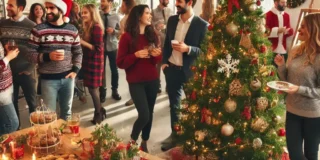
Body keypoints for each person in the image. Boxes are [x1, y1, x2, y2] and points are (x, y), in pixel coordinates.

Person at [160, 0, 208, 151]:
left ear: (190, 2)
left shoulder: (202, 25)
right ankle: (175, 135)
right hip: (172, 69)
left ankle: (195, 138)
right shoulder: (172, 20)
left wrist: (188, 49)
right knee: (174, 106)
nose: (176, 4)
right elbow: (167, 43)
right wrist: (164, 63)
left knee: (194, 106)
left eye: (180, 1)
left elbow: (205, 51)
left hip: (190, 72)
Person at [274, 13, 320, 160]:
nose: (299, 29)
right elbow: (287, 81)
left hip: (313, 115)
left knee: (311, 154)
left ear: (314, 29)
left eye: (303, 26)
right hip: (292, 111)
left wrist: (299, 89)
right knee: (295, 154)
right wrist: (281, 67)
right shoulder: (295, 50)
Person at [27, 0, 83, 120]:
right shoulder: (38, 30)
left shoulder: (72, 30)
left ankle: (65, 139)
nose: (48, 11)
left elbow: (78, 52)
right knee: (49, 116)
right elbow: (30, 54)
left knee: (67, 114)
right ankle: (53, 139)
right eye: (46, 8)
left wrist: (75, 70)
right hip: (48, 80)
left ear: (61, 10)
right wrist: (47, 56)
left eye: (52, 8)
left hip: (68, 79)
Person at [116, 4, 162, 153]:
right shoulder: (126, 37)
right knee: (144, 114)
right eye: (147, 13)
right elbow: (120, 62)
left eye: (150, 13)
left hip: (152, 80)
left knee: (150, 113)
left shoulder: (152, 35)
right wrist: (135, 55)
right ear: (138, 16)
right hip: (136, 82)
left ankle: (145, 141)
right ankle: (133, 140)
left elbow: (156, 61)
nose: (150, 16)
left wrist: (156, 55)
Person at [0, 0, 37, 127]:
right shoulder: (2, 23)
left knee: (32, 103)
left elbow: (38, 49)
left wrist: (30, 68)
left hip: (26, 72)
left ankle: (35, 132)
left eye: (11, 5)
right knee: (12, 103)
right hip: (7, 72)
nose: (7, 7)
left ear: (20, 8)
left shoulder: (32, 26)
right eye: (7, 5)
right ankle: (17, 131)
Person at [80, 4, 106, 124]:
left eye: (86, 12)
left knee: (93, 89)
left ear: (92, 14)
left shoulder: (96, 27)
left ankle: (99, 113)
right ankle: (100, 110)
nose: (83, 14)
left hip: (95, 62)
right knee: (92, 89)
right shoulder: (87, 26)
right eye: (82, 12)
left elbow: (98, 49)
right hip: (88, 60)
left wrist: (82, 42)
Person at [99, 0, 121, 103]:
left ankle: (115, 90)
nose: (101, 3)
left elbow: (121, 32)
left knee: (114, 70)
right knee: (101, 71)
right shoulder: (98, 15)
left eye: (103, 1)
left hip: (113, 46)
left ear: (110, 3)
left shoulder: (116, 16)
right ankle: (102, 92)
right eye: (101, 1)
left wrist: (114, 31)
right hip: (100, 47)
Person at [152, 0, 173, 93]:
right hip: (159, 43)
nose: (168, 1)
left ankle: (169, 85)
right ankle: (157, 85)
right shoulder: (153, 12)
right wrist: (156, 28)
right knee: (158, 65)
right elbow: (150, 26)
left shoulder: (170, 11)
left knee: (168, 65)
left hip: (169, 42)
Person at [0, 43, 20, 135]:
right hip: (1, 92)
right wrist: (8, 57)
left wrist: (6, 53)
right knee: (12, 123)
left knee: (3, 123)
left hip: (6, 87)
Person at [119, 0, 136, 106]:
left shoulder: (125, 20)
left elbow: (124, 37)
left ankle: (134, 97)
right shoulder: (138, 17)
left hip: (130, 52)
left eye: (122, 5)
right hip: (137, 50)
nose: (121, 7)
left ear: (127, 5)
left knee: (131, 76)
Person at [266, 0, 293, 64]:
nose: (285, 4)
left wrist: (287, 31)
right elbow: (265, 32)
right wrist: (277, 30)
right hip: (271, 49)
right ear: (276, 3)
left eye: (286, 2)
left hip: (283, 50)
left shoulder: (286, 15)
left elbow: (290, 30)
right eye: (282, 2)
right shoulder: (268, 15)